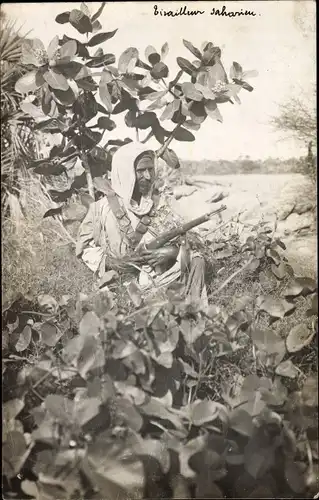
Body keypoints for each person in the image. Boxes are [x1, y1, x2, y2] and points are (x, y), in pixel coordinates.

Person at [76, 141, 207, 303]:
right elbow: (84, 250)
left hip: (167, 283)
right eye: (140, 171)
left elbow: (195, 241)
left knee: (197, 260)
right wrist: (115, 263)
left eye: (150, 169)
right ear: (125, 172)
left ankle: (193, 315)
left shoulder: (165, 203)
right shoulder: (100, 210)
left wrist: (173, 252)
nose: (148, 176)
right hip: (123, 289)